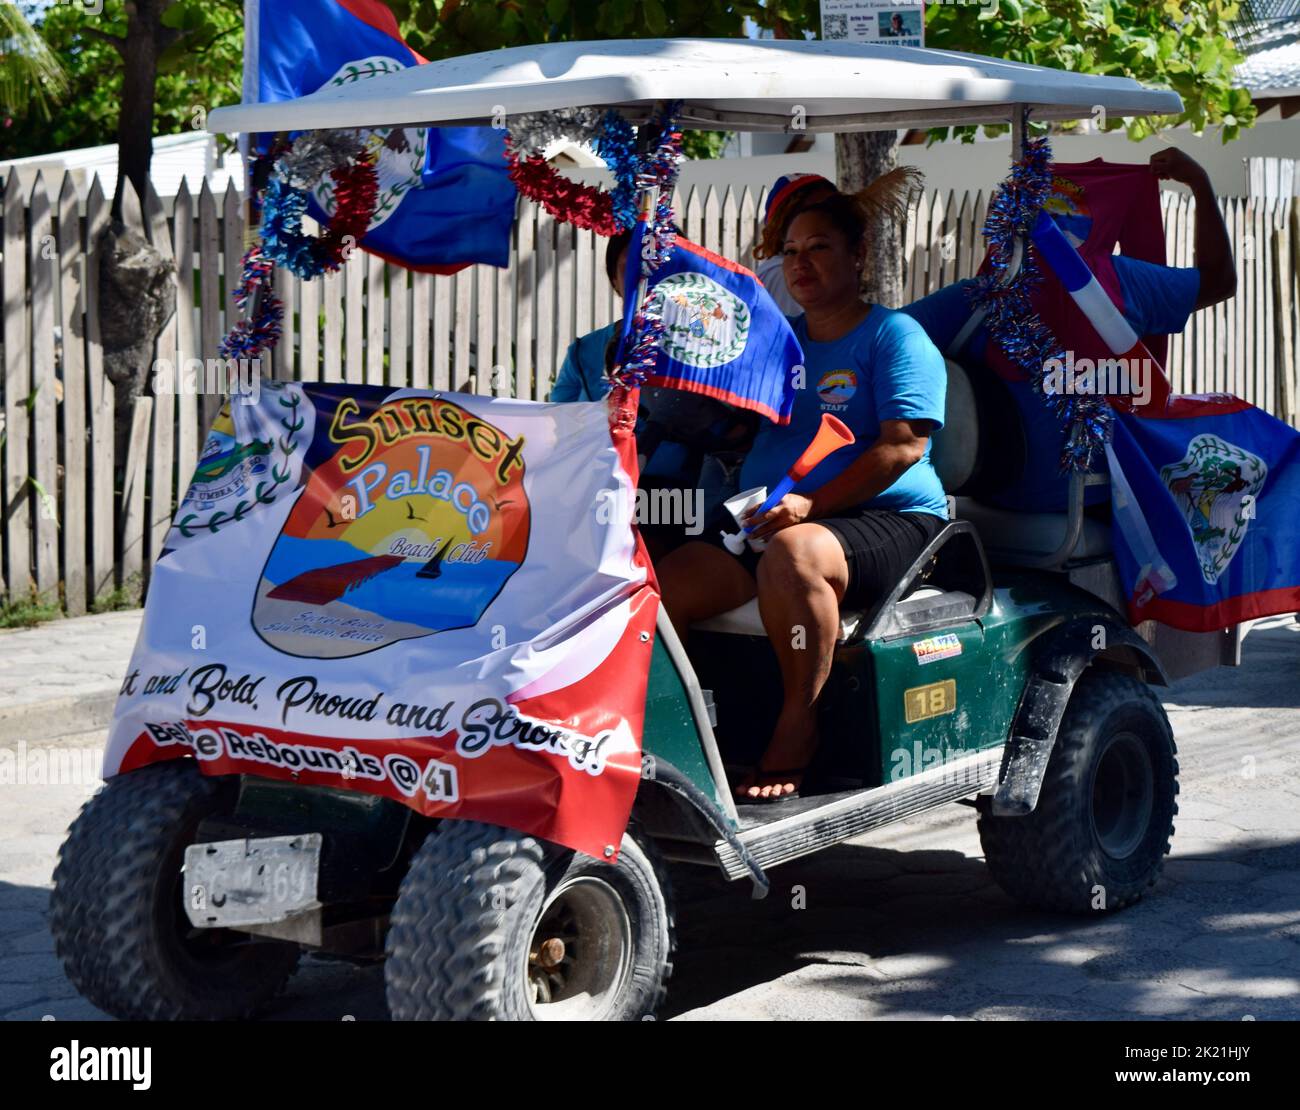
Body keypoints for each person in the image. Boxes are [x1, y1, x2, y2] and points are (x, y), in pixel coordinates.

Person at [656, 189, 948, 801]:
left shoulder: (894, 336)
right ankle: (688, 739)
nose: (800, 264)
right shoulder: (776, 343)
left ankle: (798, 725)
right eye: (790, 251)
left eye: (819, 248)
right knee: (662, 588)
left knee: (793, 556)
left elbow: (902, 447)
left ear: (858, 255)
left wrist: (812, 506)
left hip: (889, 518)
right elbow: (726, 420)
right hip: (771, 513)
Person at [903, 148, 1237, 513]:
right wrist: (1198, 183)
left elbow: (882, 337)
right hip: (1063, 500)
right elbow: (1218, 281)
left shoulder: (977, 296)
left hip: (1050, 501)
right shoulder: (1118, 282)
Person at [752, 174, 837, 315]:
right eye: (811, 212)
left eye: (833, 209)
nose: (825, 219)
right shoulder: (784, 275)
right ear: (781, 224)